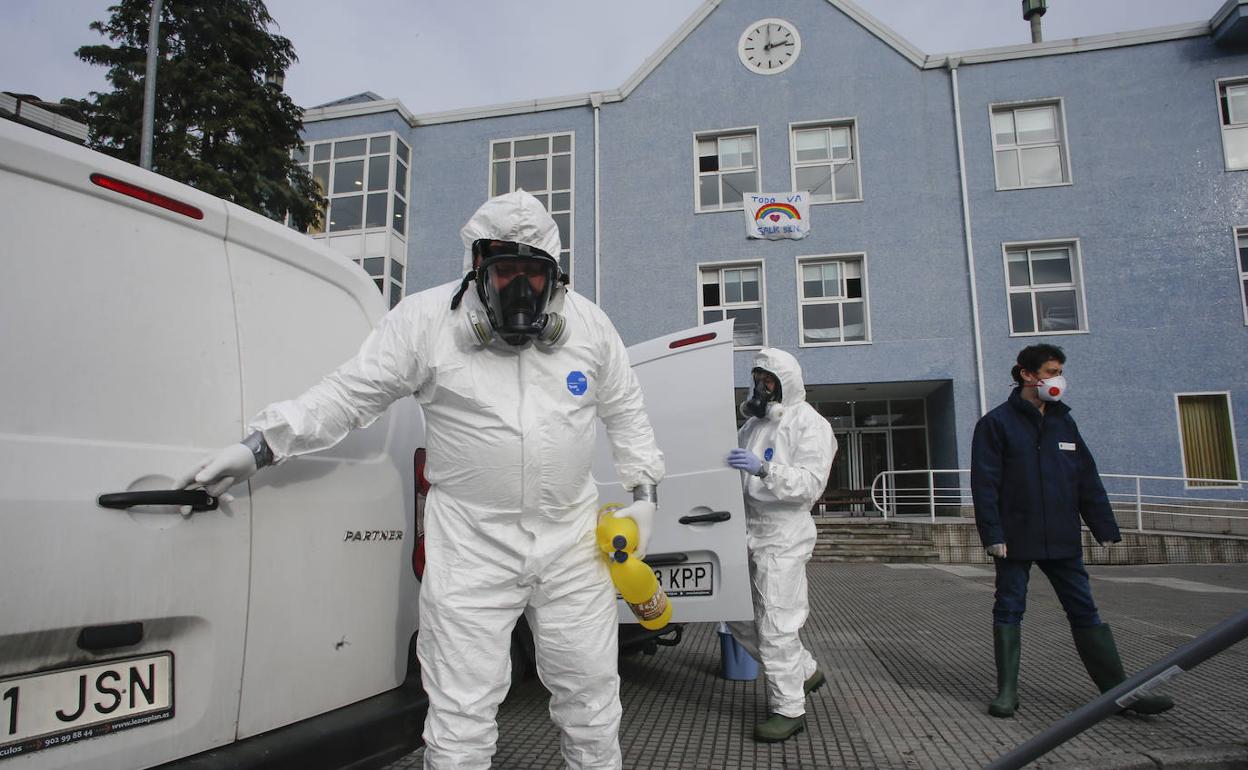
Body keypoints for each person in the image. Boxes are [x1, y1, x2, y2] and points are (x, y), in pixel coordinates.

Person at [175, 190, 665, 769]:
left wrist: (645, 494)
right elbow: (349, 395)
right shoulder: (427, 321)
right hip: (472, 547)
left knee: (592, 701)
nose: (519, 289)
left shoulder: (589, 327)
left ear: (555, 276)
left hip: (572, 542)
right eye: (505, 272)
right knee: (460, 714)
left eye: (533, 275)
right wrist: (261, 446)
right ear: (477, 268)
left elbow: (627, 413)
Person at [972, 343, 1173, 718]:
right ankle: (1007, 693)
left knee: (1084, 610)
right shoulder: (996, 424)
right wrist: (993, 535)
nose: (1058, 379)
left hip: (1062, 537)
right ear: (1027, 374)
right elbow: (984, 485)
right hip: (1015, 538)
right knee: (1009, 609)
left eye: (1060, 372)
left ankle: (1120, 693)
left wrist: (1104, 526)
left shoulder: (1064, 423)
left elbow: (1085, 478)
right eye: (1051, 371)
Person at [724, 348, 835, 742]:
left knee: (775, 625)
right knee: (736, 616)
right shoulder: (753, 426)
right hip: (748, 530)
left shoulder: (810, 424)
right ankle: (803, 670)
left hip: (784, 534)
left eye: (769, 380)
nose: (762, 387)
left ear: (786, 382)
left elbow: (810, 485)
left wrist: (765, 469)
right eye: (758, 379)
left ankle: (789, 710)